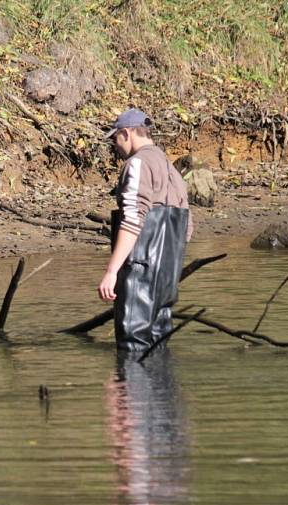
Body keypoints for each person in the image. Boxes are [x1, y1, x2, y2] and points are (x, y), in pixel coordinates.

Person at [98, 109, 193, 352]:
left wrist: (112, 270)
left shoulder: (137, 163)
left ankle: (126, 389)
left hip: (140, 271)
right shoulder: (173, 171)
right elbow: (187, 229)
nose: (115, 146)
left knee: (133, 345)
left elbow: (132, 219)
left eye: (115, 138)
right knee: (159, 344)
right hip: (168, 274)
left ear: (127, 133)